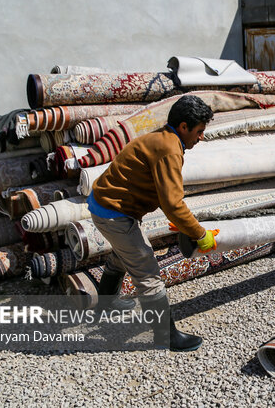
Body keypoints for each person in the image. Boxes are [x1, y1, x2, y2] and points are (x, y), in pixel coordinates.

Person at [87, 95, 218, 352]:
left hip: (106, 204)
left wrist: (183, 224)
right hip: (113, 212)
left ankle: (106, 306)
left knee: (124, 254)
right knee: (147, 271)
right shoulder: (169, 149)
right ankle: (165, 337)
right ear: (183, 127)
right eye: (199, 131)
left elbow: (167, 200)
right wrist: (200, 233)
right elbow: (173, 204)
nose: (201, 137)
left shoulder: (164, 138)